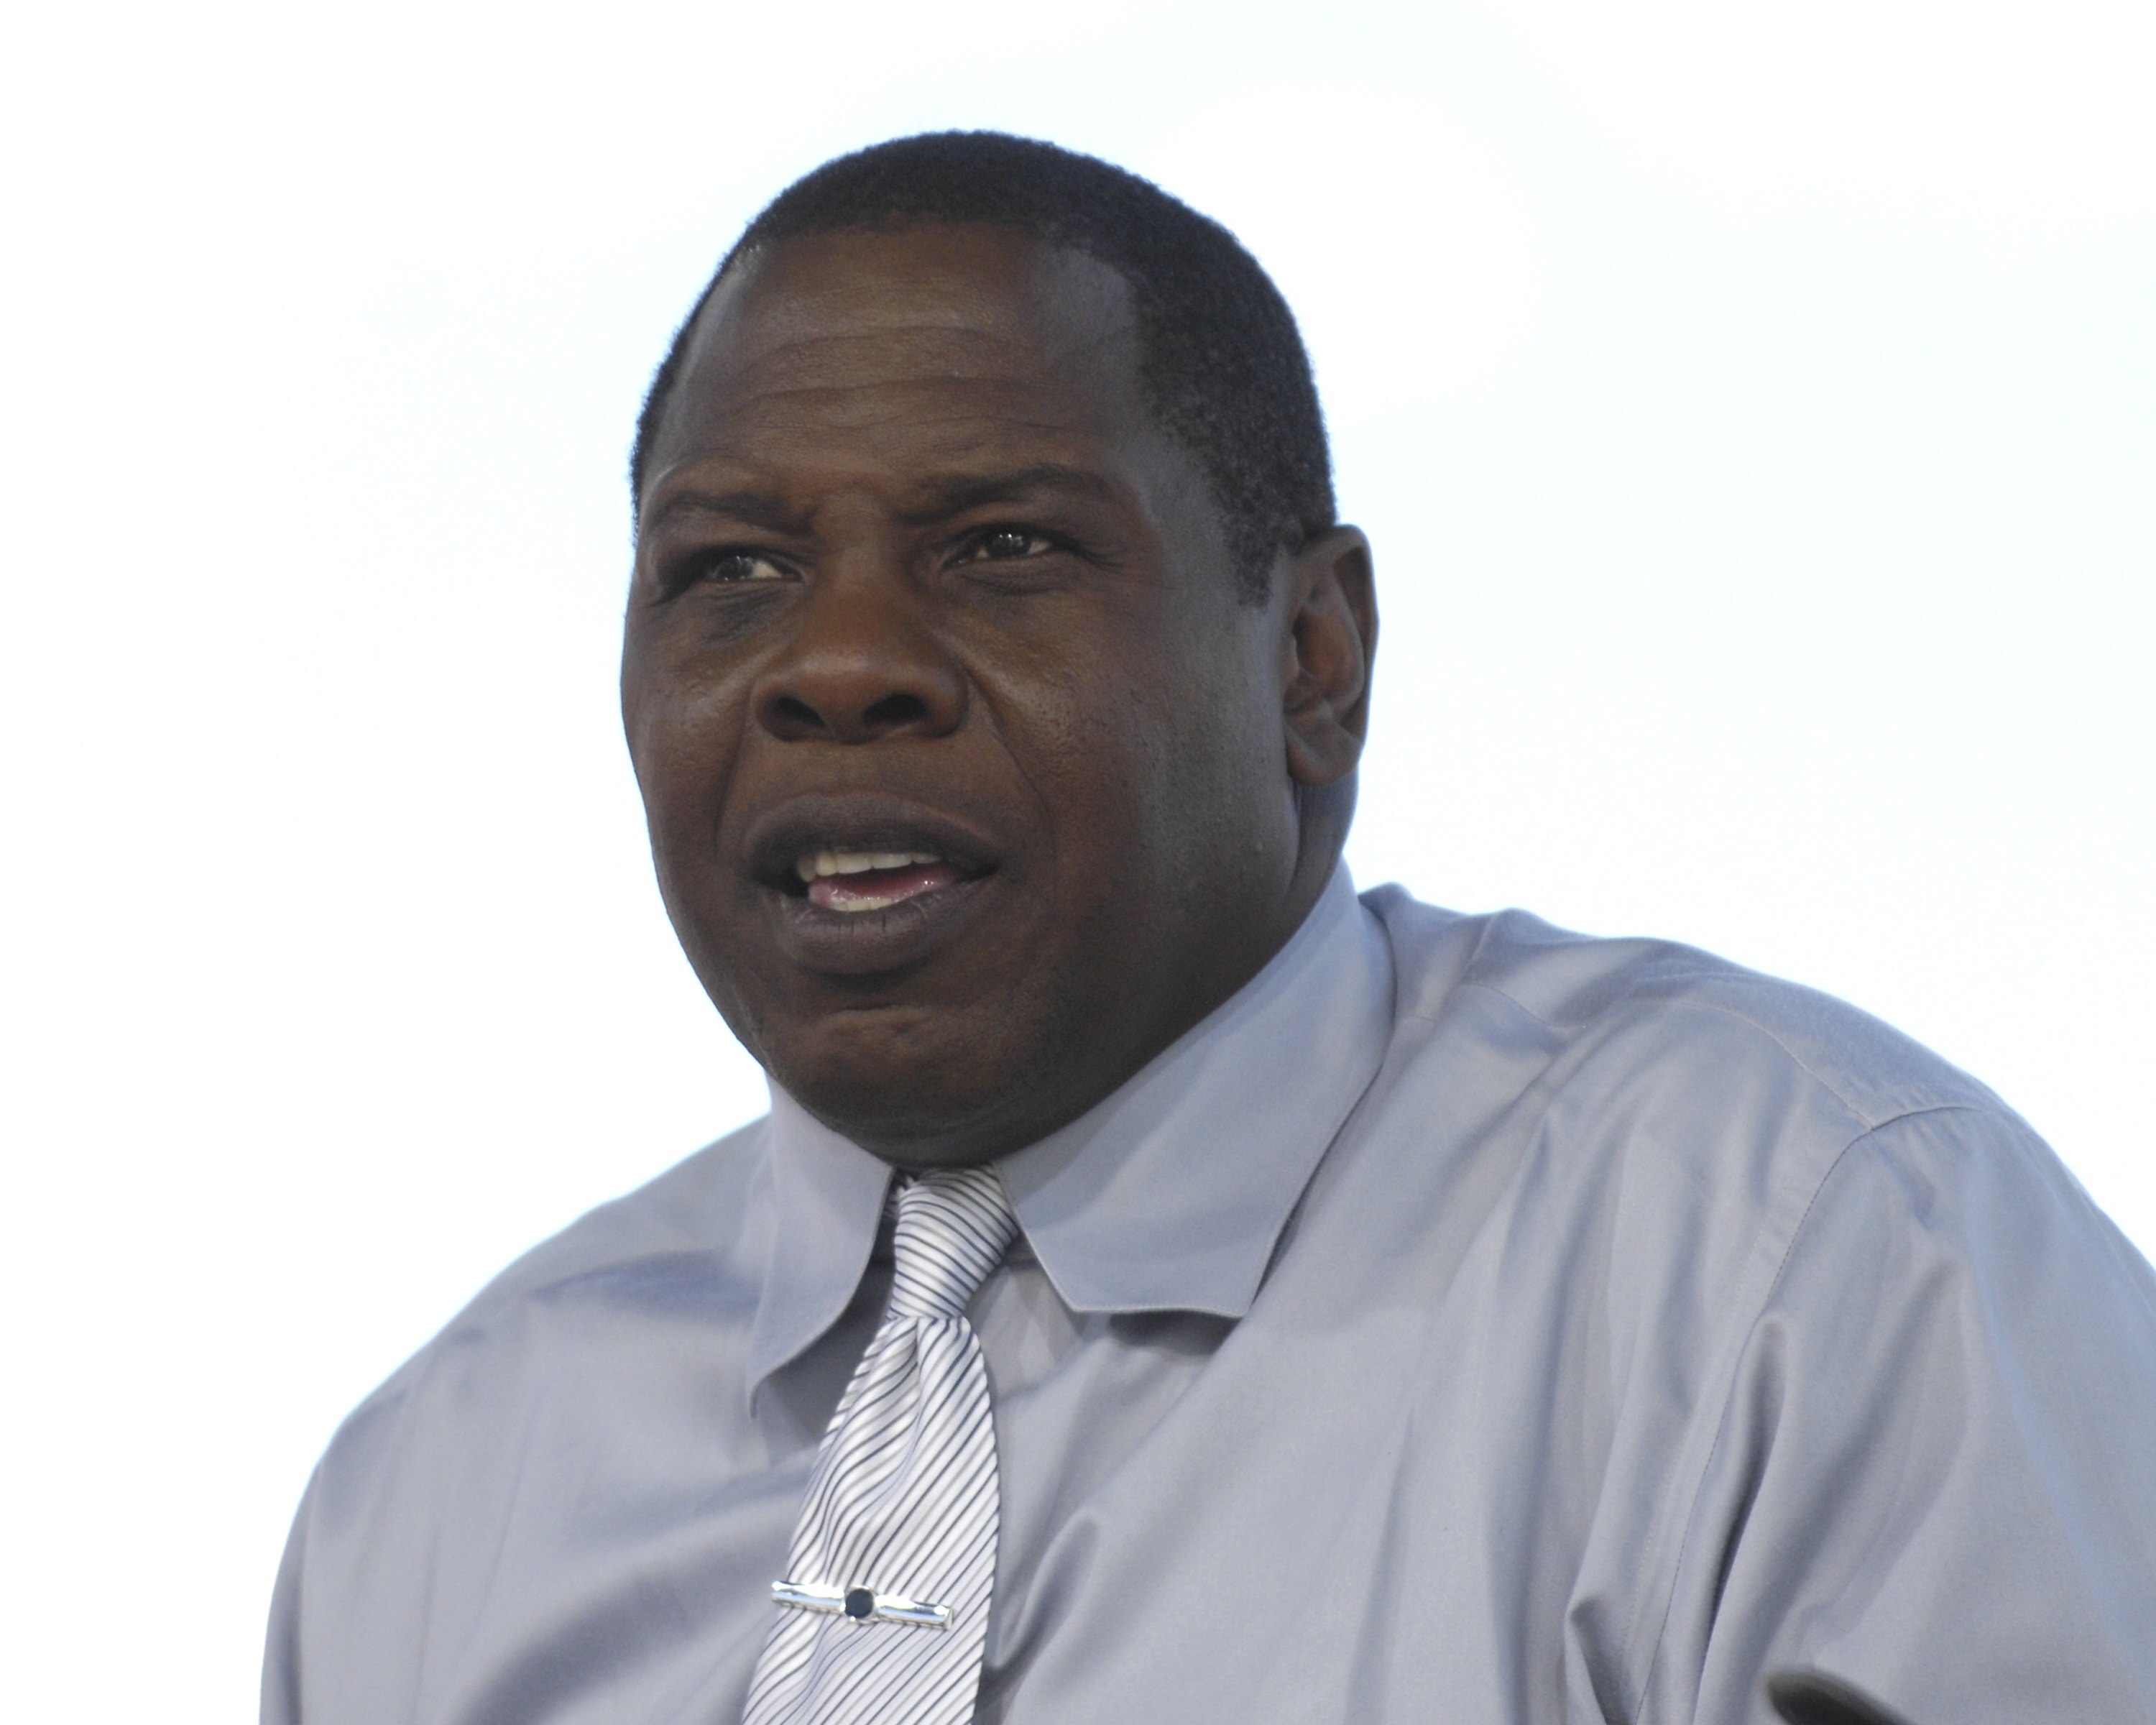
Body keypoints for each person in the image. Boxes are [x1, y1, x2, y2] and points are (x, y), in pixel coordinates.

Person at [262, 132, 2156, 1725]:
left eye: (1004, 547)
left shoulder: (1809, 1268)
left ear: (1312, 660)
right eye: (730, 570)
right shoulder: (438, 1497)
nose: (837, 664)